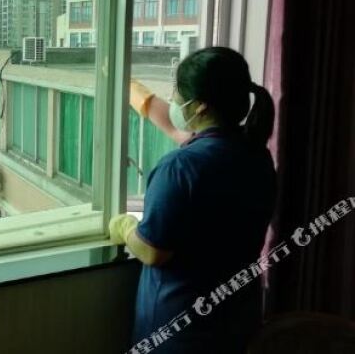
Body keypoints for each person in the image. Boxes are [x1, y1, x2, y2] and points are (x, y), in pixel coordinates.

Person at [109, 46, 277, 354]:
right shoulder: (257, 155)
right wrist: (135, 92)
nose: (173, 98)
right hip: (238, 322)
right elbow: (181, 132)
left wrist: (124, 228)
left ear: (199, 107)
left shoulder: (180, 167)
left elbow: (152, 251)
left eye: (177, 93)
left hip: (181, 334)